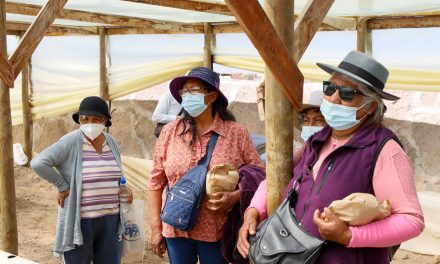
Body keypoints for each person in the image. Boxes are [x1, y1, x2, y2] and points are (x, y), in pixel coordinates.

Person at [237, 51, 424, 263]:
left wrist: (349, 236)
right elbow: (276, 176)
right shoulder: (316, 141)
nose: (334, 97)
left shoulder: (384, 150)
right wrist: (253, 211)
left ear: (370, 106)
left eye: (347, 93)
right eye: (330, 88)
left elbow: (411, 220)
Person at [148, 67, 263, 264]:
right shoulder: (170, 131)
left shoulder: (236, 133)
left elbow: (260, 176)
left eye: (194, 90)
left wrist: (235, 197)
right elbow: (156, 181)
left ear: (211, 97)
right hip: (176, 228)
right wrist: (156, 228)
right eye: (185, 91)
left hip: (217, 230)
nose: (187, 96)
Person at [30, 96, 132, 264]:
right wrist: (62, 186)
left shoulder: (111, 141)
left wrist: (125, 188)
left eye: (95, 119)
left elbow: (117, 174)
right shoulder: (71, 141)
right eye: (84, 119)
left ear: (105, 121)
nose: (89, 123)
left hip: (111, 220)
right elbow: (38, 162)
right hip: (81, 221)